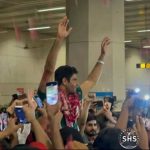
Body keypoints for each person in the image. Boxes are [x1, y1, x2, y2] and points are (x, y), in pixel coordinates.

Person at [37, 16, 111, 129]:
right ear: (65, 81)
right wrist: (59, 39)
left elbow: (91, 80)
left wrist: (102, 56)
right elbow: (48, 71)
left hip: (73, 139)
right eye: (74, 80)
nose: (77, 83)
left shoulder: (76, 94)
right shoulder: (52, 95)